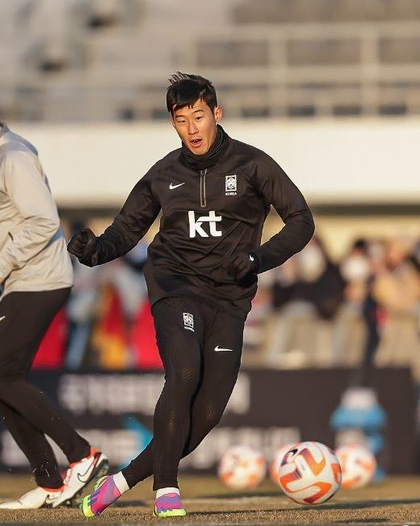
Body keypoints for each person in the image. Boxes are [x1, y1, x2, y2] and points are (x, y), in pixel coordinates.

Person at [68, 72, 315, 518]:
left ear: (216, 114)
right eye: (181, 121)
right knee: (183, 372)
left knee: (207, 413)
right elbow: (127, 229)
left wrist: (259, 259)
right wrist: (96, 250)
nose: (192, 129)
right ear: (174, 124)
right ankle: (166, 489)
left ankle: (122, 481)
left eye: (199, 117)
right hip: (175, 284)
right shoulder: (163, 173)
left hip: (231, 298)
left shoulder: (254, 165)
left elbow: (301, 220)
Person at [0, 83, 108, 509]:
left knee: (2, 378)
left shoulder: (12, 156)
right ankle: (51, 481)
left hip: (41, 278)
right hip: (23, 278)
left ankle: (82, 455)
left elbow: (42, 222)